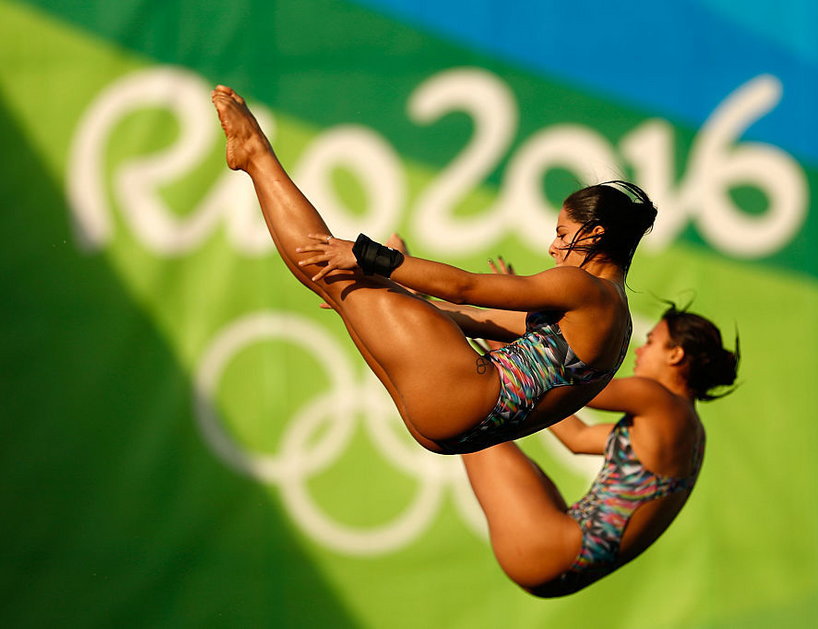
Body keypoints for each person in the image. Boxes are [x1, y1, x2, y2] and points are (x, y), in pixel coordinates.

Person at [211, 85, 657, 454]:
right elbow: (473, 319)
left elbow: (465, 288)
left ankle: (255, 153)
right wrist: (394, 295)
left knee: (337, 270)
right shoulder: (612, 320)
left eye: (563, 235)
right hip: (454, 430)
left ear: (594, 235)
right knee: (344, 290)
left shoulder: (583, 288)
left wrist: (369, 257)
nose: (553, 247)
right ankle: (256, 159)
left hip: (463, 395)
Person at [460, 305, 739, 596]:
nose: (640, 351)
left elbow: (582, 381)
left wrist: (528, 328)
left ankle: (419, 306)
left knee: (467, 415)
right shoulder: (686, 430)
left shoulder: (658, 399)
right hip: (562, 569)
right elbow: (577, 438)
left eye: (651, 341)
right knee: (479, 411)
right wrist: (508, 351)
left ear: (675, 354)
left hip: (549, 550)